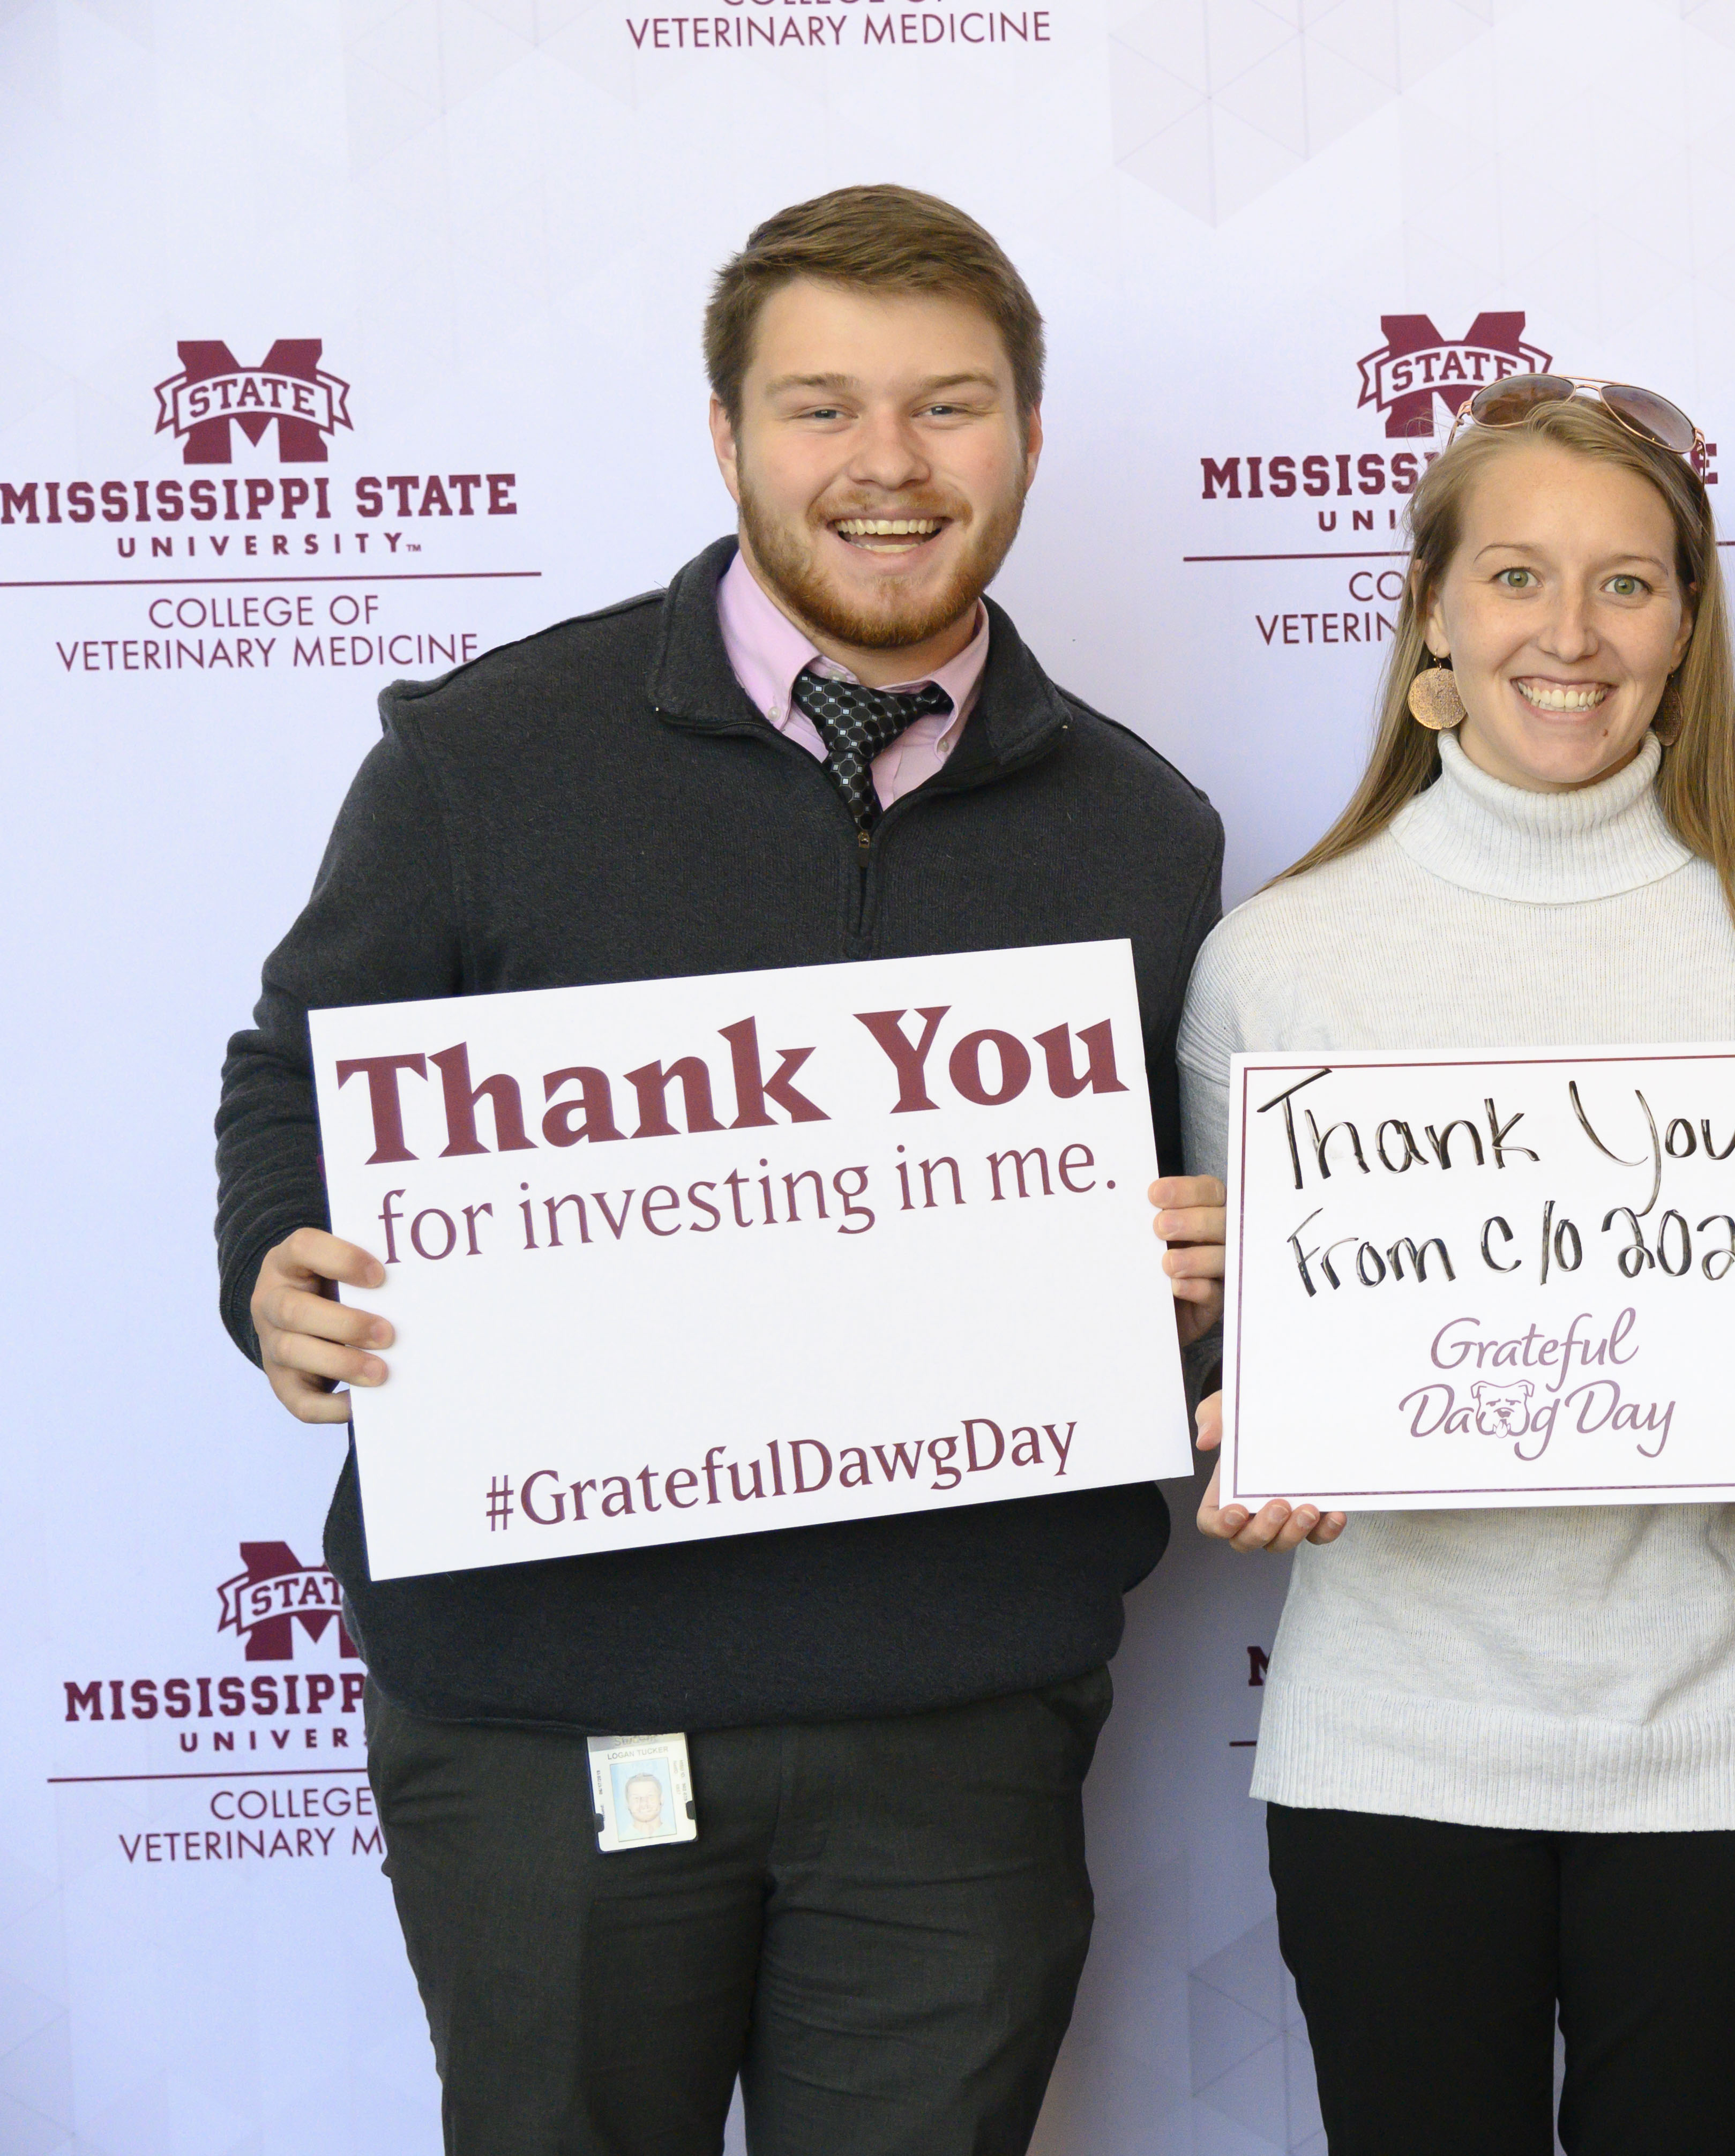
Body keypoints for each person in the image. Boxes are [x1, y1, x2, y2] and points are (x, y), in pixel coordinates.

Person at [212, 185, 1227, 2156]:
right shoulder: (486, 755)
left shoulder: (1137, 825)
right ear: (725, 434)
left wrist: (1211, 1269)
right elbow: (295, 1075)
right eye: (820, 408)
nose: (887, 468)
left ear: (1027, 435)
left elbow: (1189, 1224)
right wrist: (272, 1265)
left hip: (956, 1720)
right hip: (545, 1709)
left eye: (949, 408)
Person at [1177, 376, 1735, 2156]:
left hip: (1734, 1751)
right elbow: (1262, 1354)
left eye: (1626, 585)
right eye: (1514, 576)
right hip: (1390, 1759)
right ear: (1433, 609)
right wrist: (1258, 1432)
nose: (1567, 634)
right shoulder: (1276, 959)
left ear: (1686, 626)